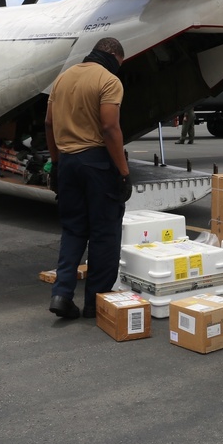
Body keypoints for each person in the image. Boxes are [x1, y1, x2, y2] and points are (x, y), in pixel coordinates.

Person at [45, 37, 132, 320]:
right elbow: (109, 127)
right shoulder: (108, 80)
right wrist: (122, 172)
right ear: (115, 57)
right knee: (104, 233)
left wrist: (56, 165)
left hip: (67, 162)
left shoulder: (63, 78)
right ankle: (96, 304)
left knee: (73, 231)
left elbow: (48, 123)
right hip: (95, 163)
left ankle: (61, 295)